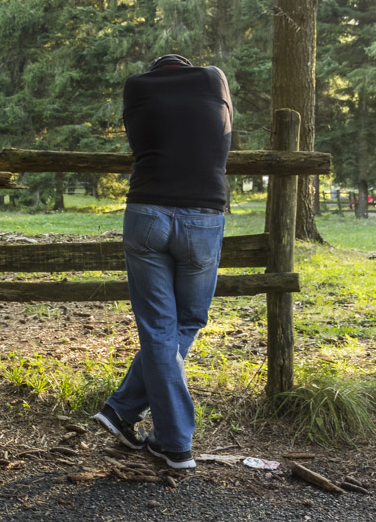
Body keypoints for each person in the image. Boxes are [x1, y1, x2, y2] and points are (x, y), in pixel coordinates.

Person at [94, 54, 233, 470]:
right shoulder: (213, 79)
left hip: (147, 213)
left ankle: (122, 409)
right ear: (189, 68)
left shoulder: (137, 86)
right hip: (203, 215)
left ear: (156, 71)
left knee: (159, 327)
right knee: (187, 321)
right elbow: (224, 131)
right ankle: (172, 442)